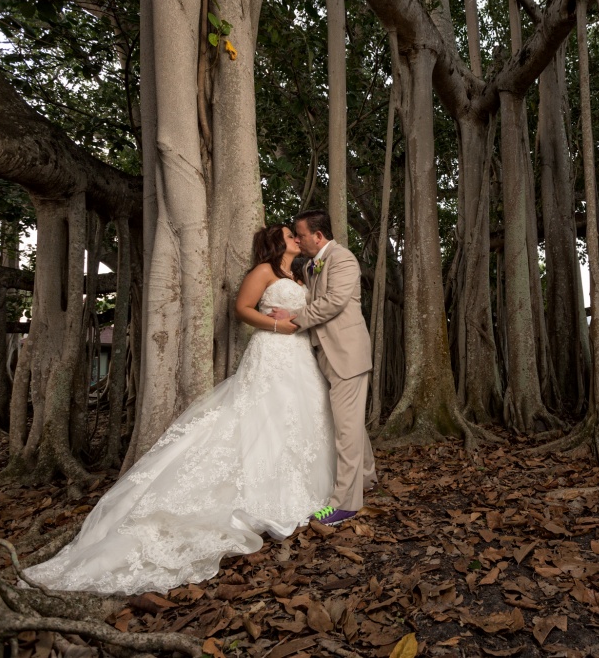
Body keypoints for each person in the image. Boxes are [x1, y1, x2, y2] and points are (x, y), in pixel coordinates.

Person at [20, 224, 336, 595]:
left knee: (300, 417)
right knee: (260, 417)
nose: (297, 238)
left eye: (298, 235)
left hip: (300, 355)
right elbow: (241, 309)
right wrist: (276, 324)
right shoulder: (263, 272)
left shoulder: (298, 275)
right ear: (275, 242)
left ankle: (300, 488)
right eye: (289, 234)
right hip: (272, 352)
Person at [271, 210, 376, 526]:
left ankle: (345, 504)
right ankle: (368, 477)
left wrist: (290, 320)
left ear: (318, 236)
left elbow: (332, 302)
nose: (298, 240)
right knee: (350, 423)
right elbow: (314, 301)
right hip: (326, 354)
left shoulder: (343, 259)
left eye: (300, 235)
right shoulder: (312, 265)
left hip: (347, 354)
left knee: (345, 430)